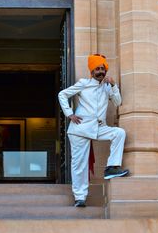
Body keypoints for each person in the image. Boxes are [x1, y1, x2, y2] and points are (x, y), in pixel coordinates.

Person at [58, 54, 129, 208]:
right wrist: (69, 114)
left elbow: (118, 102)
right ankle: (80, 197)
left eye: (103, 69)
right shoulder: (83, 83)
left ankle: (111, 167)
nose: (100, 71)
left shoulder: (107, 87)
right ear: (92, 71)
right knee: (79, 165)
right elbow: (62, 94)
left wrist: (114, 86)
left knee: (119, 133)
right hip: (79, 130)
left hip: (99, 128)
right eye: (97, 69)